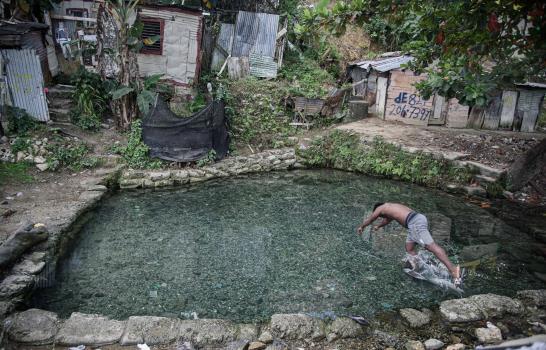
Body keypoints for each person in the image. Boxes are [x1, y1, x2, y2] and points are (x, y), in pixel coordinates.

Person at [357, 202, 462, 287]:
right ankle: (418, 266)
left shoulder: (379, 208)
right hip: (416, 220)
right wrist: (379, 226)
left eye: (379, 214)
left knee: (431, 246)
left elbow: (371, 218)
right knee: (409, 248)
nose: (380, 215)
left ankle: (453, 270)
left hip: (414, 223)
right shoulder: (390, 206)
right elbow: (387, 220)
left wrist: (362, 226)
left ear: (378, 209)